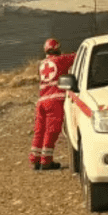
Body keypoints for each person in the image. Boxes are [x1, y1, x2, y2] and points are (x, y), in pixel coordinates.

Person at [29, 38, 76, 171]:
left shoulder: (41, 64)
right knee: (52, 131)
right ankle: (46, 161)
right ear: (58, 48)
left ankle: (35, 160)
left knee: (39, 131)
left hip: (41, 101)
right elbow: (76, 57)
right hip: (55, 101)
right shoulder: (61, 60)